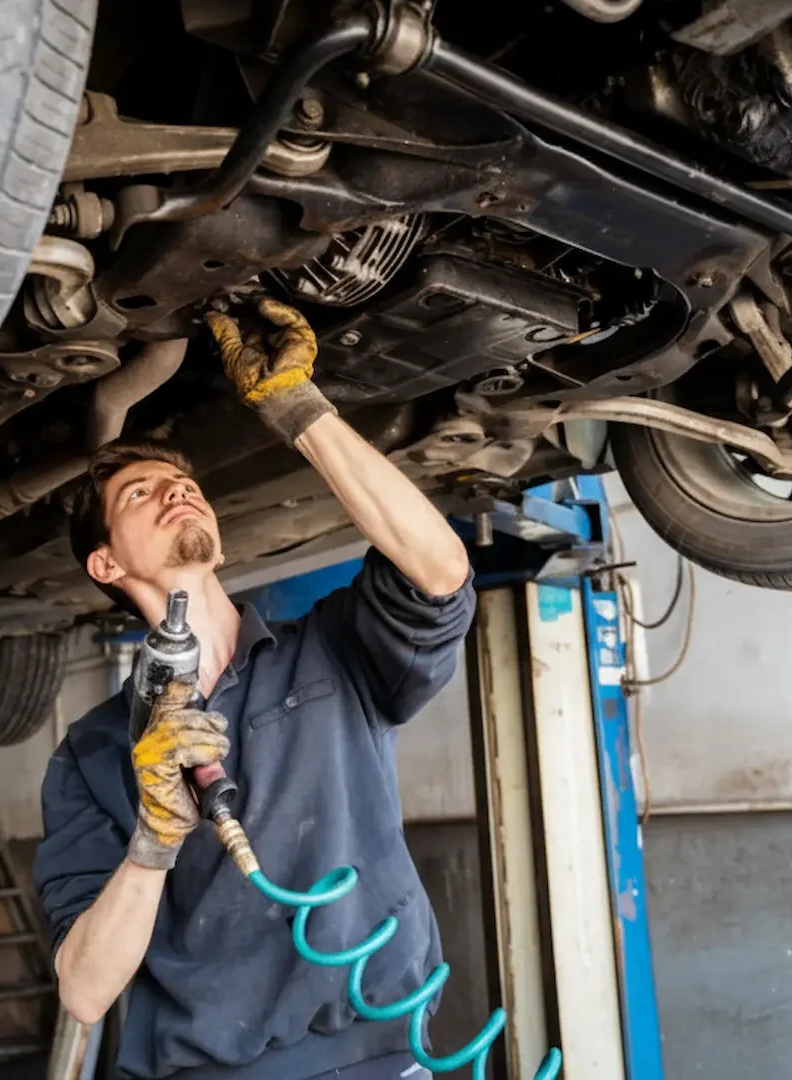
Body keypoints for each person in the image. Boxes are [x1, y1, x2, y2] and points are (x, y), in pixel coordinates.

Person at [32, 298, 475, 1080]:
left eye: (180, 480)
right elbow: (85, 990)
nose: (176, 490)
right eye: (139, 492)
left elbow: (438, 571)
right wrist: (153, 842)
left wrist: (297, 409)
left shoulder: (329, 653)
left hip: (385, 1055)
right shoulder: (96, 752)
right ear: (106, 566)